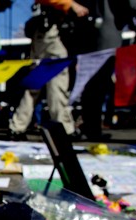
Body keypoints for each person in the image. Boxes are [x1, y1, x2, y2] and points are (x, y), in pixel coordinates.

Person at [8, 0, 89, 140]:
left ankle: (17, 126)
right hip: (52, 34)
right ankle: (63, 128)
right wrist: (71, 5)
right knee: (57, 84)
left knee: (34, 87)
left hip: (43, 33)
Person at [72, 0, 136, 141]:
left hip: (86, 32)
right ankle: (92, 128)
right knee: (99, 84)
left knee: (90, 85)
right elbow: (131, 5)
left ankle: (90, 126)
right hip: (106, 34)